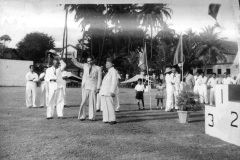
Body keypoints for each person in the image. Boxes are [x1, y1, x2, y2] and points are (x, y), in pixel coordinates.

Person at [71, 54, 102, 121]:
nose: (89, 62)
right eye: (88, 61)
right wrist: (73, 58)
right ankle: (82, 116)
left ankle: (92, 117)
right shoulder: (85, 65)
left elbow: (99, 79)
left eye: (90, 61)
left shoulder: (98, 68)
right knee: (83, 101)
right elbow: (77, 64)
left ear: (93, 61)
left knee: (92, 102)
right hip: (85, 86)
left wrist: (98, 88)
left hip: (93, 87)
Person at [99, 58, 118, 124]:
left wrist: (112, 91)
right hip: (104, 91)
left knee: (110, 105)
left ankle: (112, 119)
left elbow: (114, 82)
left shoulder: (114, 71)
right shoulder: (108, 72)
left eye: (107, 63)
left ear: (111, 64)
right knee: (105, 106)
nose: (106, 64)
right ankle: (106, 119)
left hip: (109, 91)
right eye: (106, 63)